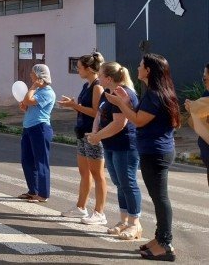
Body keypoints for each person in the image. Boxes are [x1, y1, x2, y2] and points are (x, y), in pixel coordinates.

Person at [106, 54, 179, 261]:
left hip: (156, 153)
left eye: (140, 65)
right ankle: (159, 239)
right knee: (158, 199)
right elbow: (141, 115)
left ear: (148, 71)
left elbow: (138, 121)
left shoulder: (155, 94)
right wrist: (126, 101)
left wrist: (121, 104)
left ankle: (165, 243)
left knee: (161, 199)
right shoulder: (153, 93)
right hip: (154, 151)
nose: (137, 68)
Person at [86, 62, 143, 240]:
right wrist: (96, 133)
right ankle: (124, 220)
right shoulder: (106, 92)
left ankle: (135, 224)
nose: (98, 77)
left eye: (100, 74)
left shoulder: (123, 93)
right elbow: (99, 114)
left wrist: (98, 137)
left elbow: (119, 123)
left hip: (125, 145)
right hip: (110, 145)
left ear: (109, 78)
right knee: (119, 183)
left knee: (128, 183)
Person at [57, 52, 107, 225]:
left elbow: (95, 112)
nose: (77, 70)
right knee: (84, 172)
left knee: (97, 174)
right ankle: (80, 208)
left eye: (79, 67)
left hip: (93, 135)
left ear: (88, 68)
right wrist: (72, 105)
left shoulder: (97, 87)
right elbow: (83, 109)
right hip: (82, 133)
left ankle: (100, 212)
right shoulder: (87, 86)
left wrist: (74, 105)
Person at [18, 64, 55, 203]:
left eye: (33, 73)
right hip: (28, 127)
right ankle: (33, 191)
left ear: (39, 76)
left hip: (40, 128)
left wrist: (32, 87)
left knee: (41, 162)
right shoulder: (39, 91)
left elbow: (28, 99)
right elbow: (27, 105)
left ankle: (43, 194)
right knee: (27, 160)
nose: (30, 75)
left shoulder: (47, 92)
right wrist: (24, 107)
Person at [184, 63, 209, 186]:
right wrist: (193, 111)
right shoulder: (206, 95)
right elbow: (195, 124)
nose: (204, 81)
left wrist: (194, 109)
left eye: (205, 78)